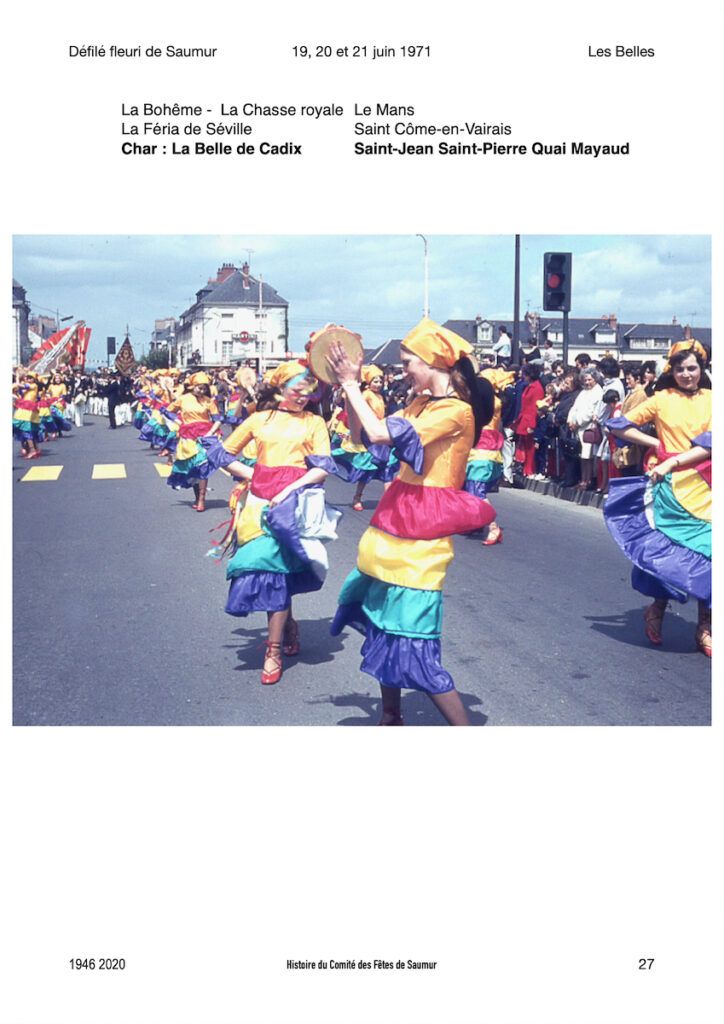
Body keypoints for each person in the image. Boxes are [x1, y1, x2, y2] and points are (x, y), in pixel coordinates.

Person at [327, 317, 496, 726]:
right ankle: (390, 717)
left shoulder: (455, 411)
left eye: (407, 363)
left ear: (434, 362)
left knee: (417, 644)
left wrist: (353, 384)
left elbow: (384, 436)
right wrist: (349, 393)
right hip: (395, 521)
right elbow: (365, 436)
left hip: (423, 531)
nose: (403, 371)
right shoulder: (420, 404)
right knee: (385, 622)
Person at [206, 360, 337, 685]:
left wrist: (289, 487)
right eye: (298, 389)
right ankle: (286, 628)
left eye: (309, 391)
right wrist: (255, 475)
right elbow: (223, 453)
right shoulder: (259, 420)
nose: (304, 396)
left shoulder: (314, 423)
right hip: (258, 506)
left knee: (278, 573)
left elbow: (322, 467)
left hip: (292, 506)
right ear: (281, 389)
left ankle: (273, 650)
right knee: (269, 571)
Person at [604, 341, 712, 656]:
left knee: (710, 553)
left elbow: (712, 441)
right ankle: (658, 607)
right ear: (671, 371)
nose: (687, 374)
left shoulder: (713, 398)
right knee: (667, 553)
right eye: (680, 368)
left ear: (701, 369)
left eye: (692, 368)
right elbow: (619, 424)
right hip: (668, 486)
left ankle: (705, 625)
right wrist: (659, 444)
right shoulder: (662, 399)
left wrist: (672, 458)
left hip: (706, 485)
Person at [330, 364, 396, 510]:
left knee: (387, 467)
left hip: (380, 432)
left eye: (380, 381)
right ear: (369, 382)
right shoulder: (365, 394)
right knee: (367, 468)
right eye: (375, 381)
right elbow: (355, 410)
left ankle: (390, 500)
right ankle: (357, 497)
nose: (378, 384)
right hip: (368, 435)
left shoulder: (380, 395)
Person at [165, 374, 221, 511]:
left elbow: (218, 419)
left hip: (204, 437)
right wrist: (180, 423)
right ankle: (197, 496)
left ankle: (202, 499)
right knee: (193, 467)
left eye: (203, 389)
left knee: (203, 465)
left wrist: (210, 433)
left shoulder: (208, 401)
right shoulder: (183, 399)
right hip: (188, 437)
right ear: (192, 387)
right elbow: (168, 411)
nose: (201, 391)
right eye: (199, 388)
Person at [567, 367, 603, 490]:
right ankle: (582, 479)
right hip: (578, 427)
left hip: (588, 427)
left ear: (595, 379)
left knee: (588, 457)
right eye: (585, 380)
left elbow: (590, 412)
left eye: (590, 380)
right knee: (582, 457)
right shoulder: (583, 392)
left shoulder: (598, 392)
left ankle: (587, 481)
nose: (587, 382)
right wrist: (570, 420)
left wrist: (577, 422)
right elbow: (575, 407)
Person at [513, 363, 544, 478]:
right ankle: (526, 468)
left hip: (529, 419)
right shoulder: (530, 386)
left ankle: (529, 469)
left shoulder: (536, 388)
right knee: (525, 446)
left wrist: (532, 424)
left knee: (530, 447)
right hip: (524, 418)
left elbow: (534, 408)